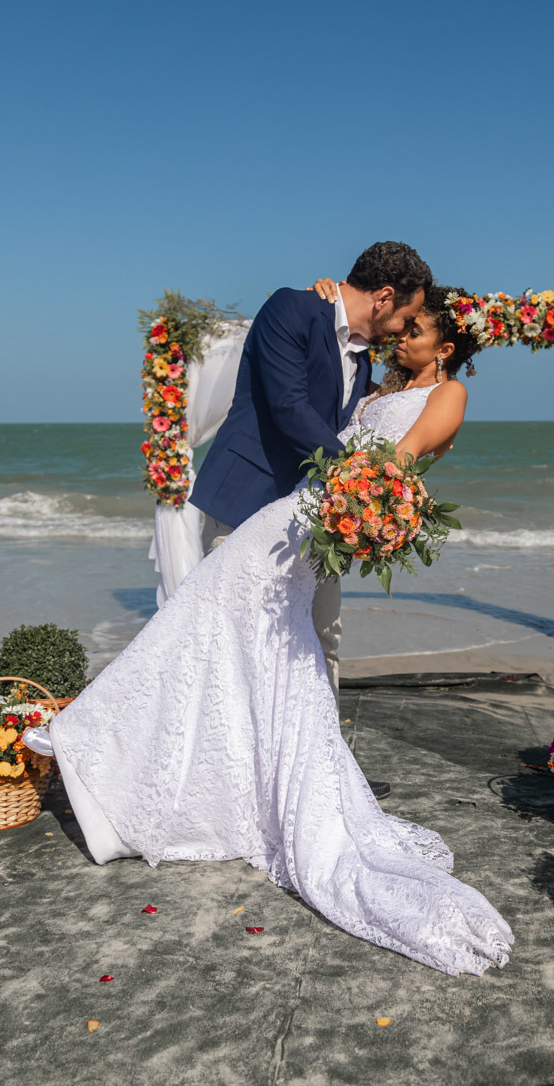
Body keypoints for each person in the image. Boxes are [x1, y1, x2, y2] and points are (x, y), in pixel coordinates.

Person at [26, 284, 514, 978]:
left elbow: (393, 467)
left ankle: (100, 745)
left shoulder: (450, 395)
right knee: (223, 636)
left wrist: (366, 504)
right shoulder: (373, 385)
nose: (400, 338)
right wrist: (330, 301)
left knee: (220, 627)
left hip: (319, 515)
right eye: (400, 326)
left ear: (448, 346)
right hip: (297, 513)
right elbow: (329, 400)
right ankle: (181, 773)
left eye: (416, 331)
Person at [192, 241, 432, 719]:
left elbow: (363, 415)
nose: (406, 327)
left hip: (313, 520)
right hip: (245, 504)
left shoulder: (363, 355)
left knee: (323, 636)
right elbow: (288, 408)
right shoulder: (292, 308)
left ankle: (324, 775)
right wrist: (359, 477)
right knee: (237, 643)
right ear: (384, 297)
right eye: (409, 315)